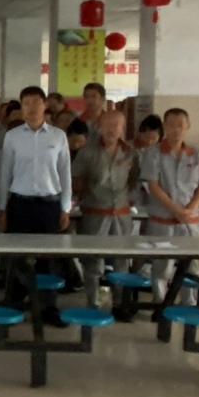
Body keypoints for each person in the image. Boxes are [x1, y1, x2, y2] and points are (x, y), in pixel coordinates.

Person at [0, 86, 71, 328]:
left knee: (48, 259)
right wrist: (2, 208)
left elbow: (65, 173)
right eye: (26, 103)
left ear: (44, 105)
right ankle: (13, 305)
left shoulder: (58, 136)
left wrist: (65, 208)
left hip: (49, 206)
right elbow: (5, 174)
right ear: (21, 107)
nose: (31, 107)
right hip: (20, 204)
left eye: (36, 102)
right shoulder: (12, 136)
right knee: (17, 257)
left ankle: (49, 307)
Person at [140, 108, 199, 308]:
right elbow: (153, 186)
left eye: (180, 125)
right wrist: (176, 210)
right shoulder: (153, 153)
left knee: (191, 265)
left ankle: (189, 303)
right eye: (171, 125)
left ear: (187, 126)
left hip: (190, 220)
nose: (175, 129)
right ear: (164, 126)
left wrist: (189, 210)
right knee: (161, 266)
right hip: (163, 220)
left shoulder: (196, 153)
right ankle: (161, 303)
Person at [72, 110, 137, 316]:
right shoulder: (87, 151)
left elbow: (134, 178)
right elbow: (77, 180)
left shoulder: (130, 152)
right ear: (99, 127)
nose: (112, 129)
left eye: (116, 125)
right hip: (94, 212)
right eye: (107, 125)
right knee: (93, 260)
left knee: (121, 260)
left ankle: (119, 304)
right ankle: (93, 303)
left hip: (121, 213)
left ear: (123, 128)